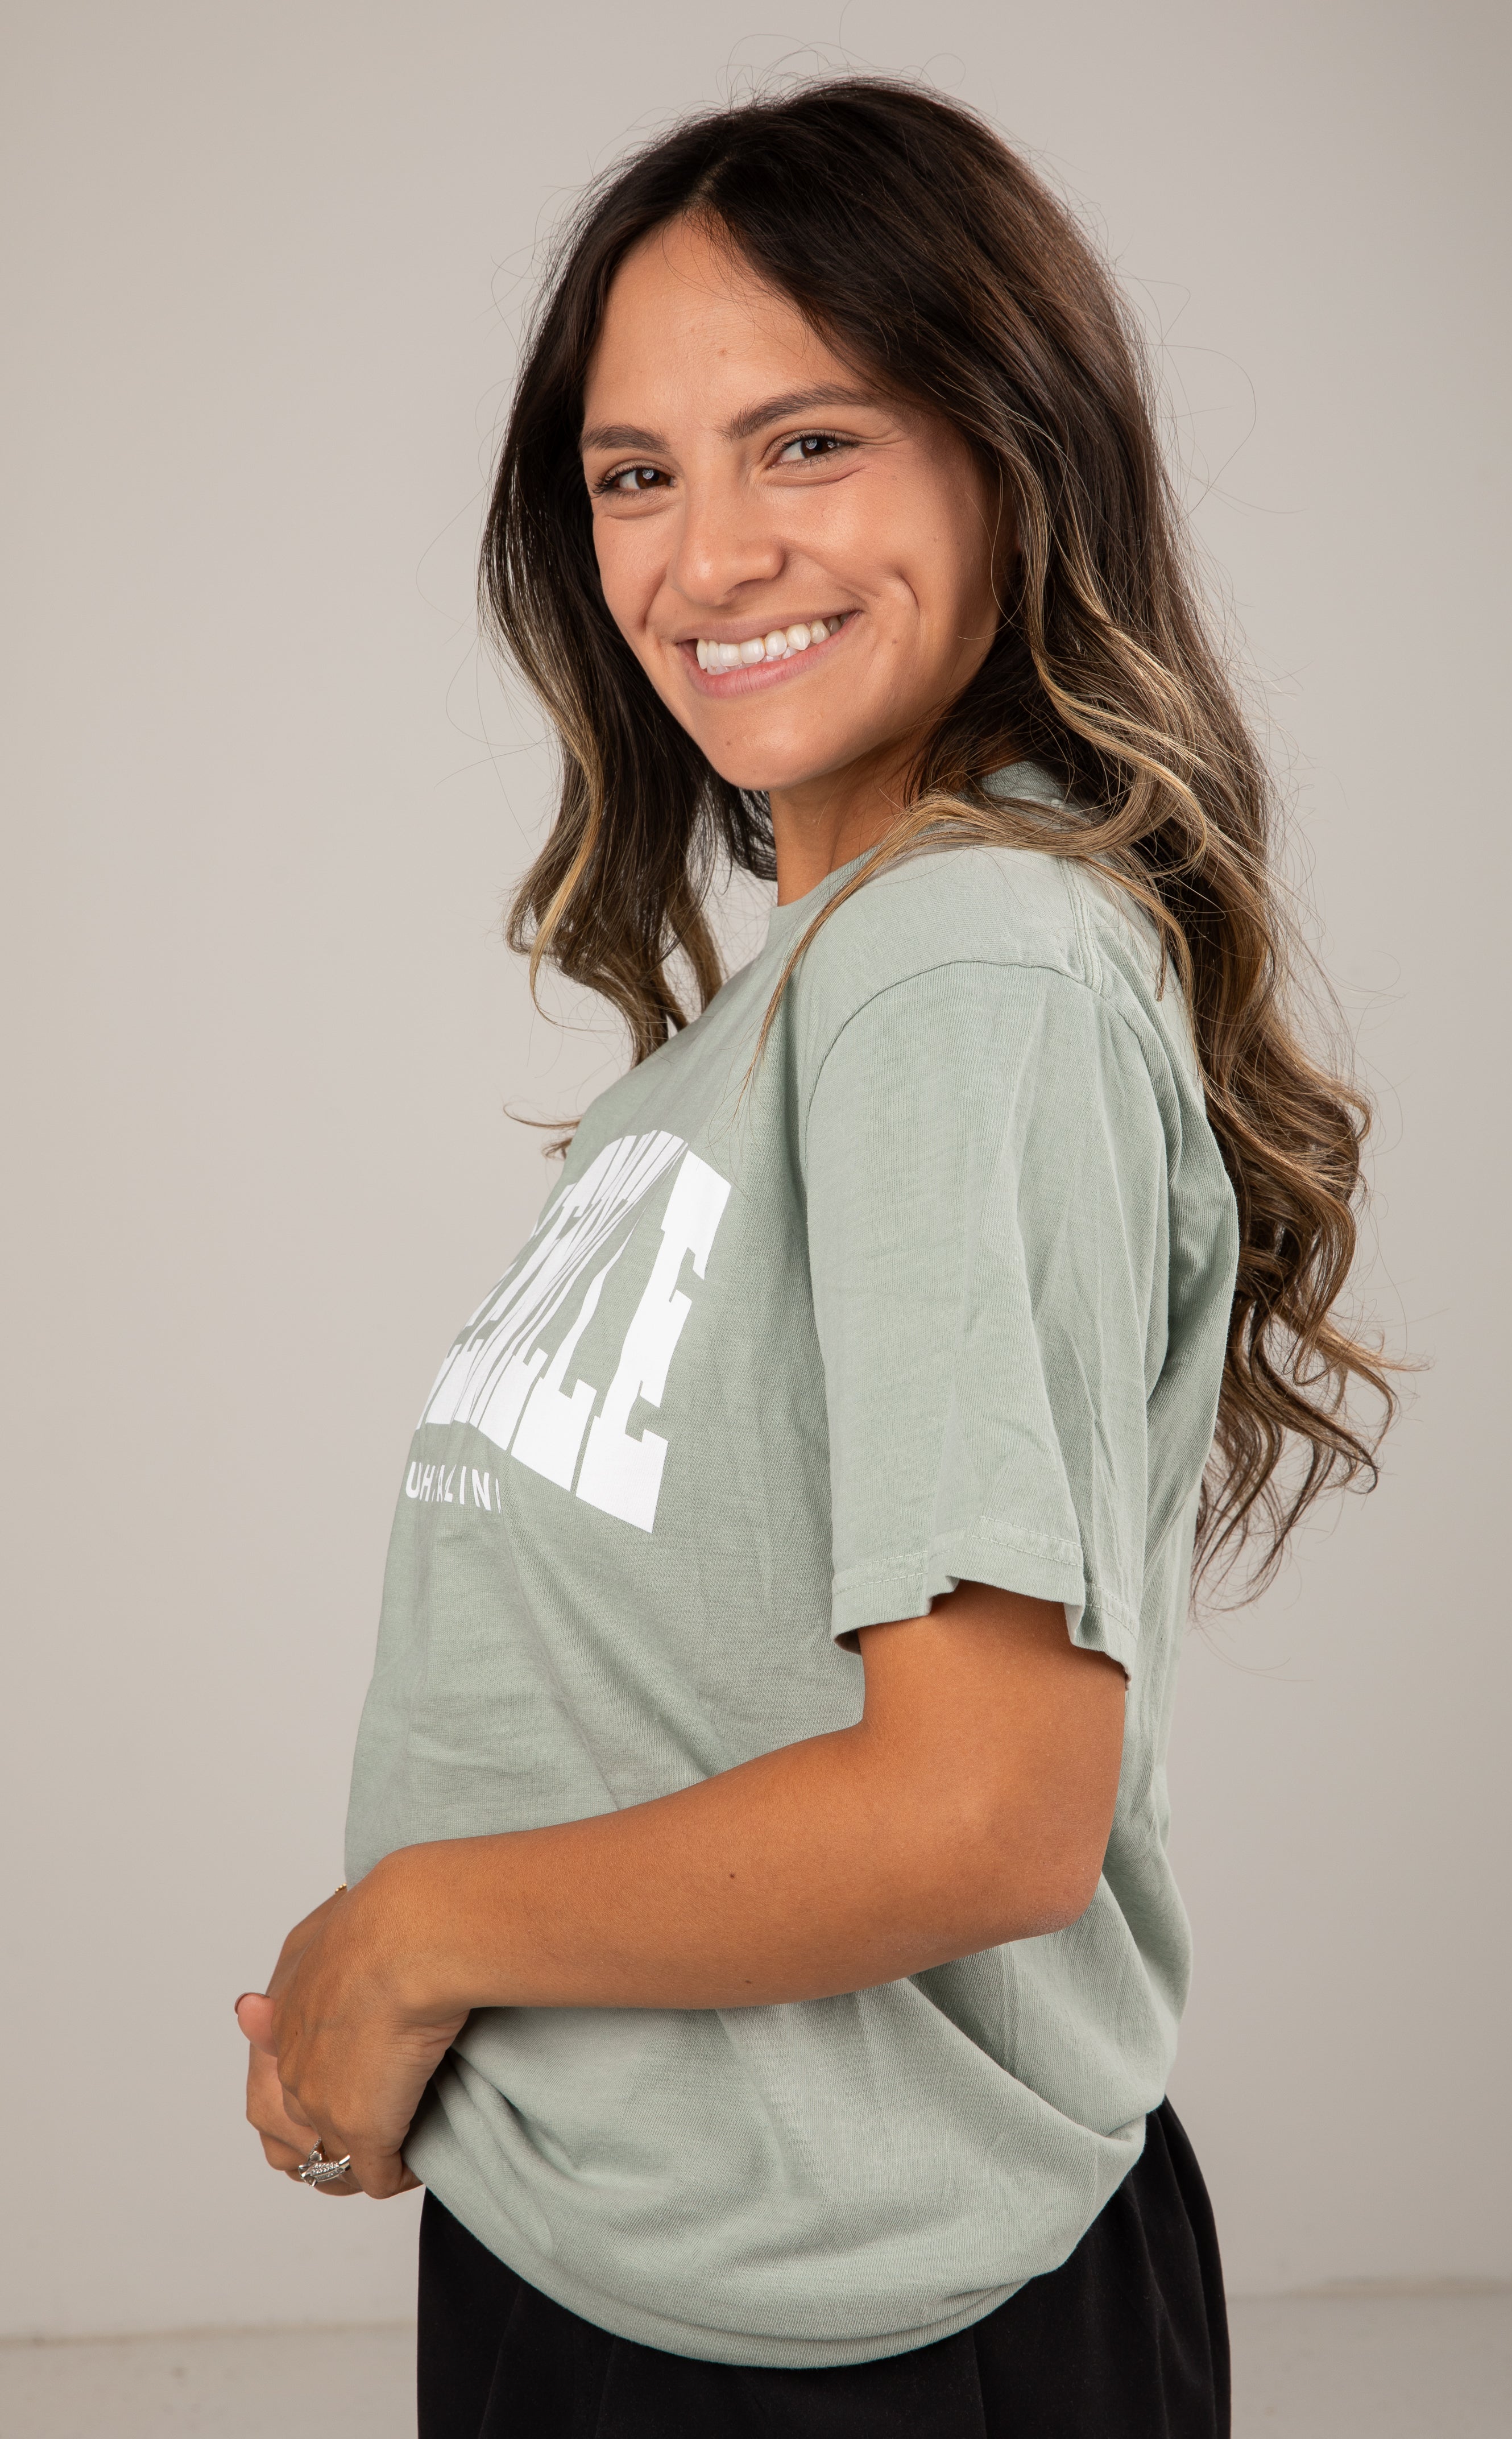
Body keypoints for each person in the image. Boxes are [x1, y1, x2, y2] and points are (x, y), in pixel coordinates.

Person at [236, 78, 1392, 2438]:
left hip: (848, 2354)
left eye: (808, 442)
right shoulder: (807, 996)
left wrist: (404, 1937)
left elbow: (981, 1810)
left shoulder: (965, 960)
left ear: (1006, 453)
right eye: (632, 473)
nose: (705, 552)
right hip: (629, 2274)